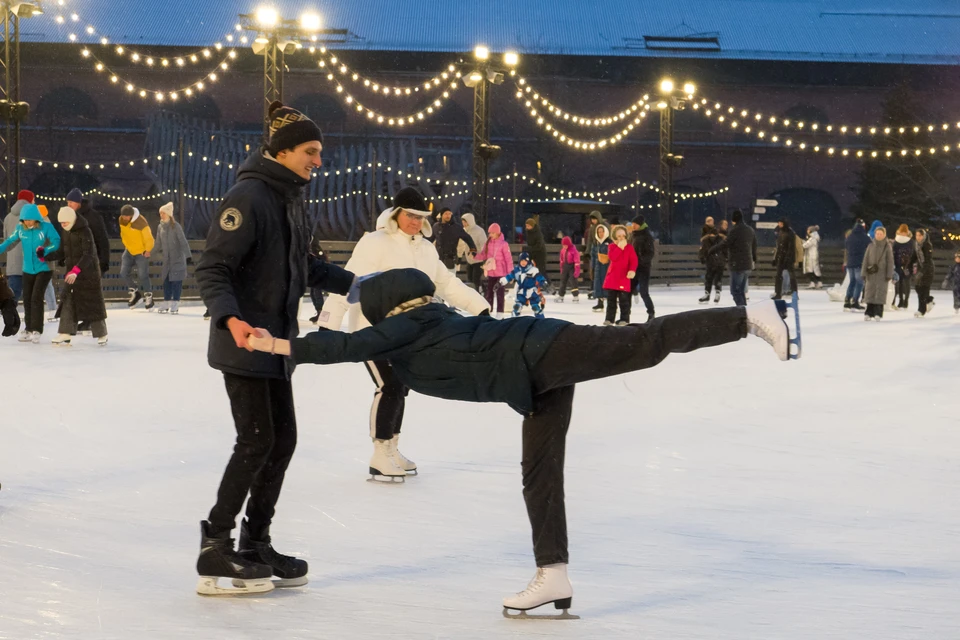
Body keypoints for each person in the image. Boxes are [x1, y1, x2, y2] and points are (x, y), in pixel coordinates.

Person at [245, 268, 800, 616]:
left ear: (387, 309)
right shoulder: (424, 328)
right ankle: (552, 575)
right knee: (540, 473)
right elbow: (369, 348)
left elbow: (345, 346)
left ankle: (745, 317)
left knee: (644, 341)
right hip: (533, 375)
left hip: (542, 352)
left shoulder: (407, 327)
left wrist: (278, 345)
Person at [193, 100, 358, 596]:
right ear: (282, 152)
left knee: (280, 441)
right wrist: (230, 318)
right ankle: (214, 548)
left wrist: (363, 285)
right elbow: (213, 268)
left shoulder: (289, 200)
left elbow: (304, 268)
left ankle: (255, 543)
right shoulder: (248, 197)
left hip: (277, 344)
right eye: (311, 151)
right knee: (256, 440)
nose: (318, 161)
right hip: (245, 341)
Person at [318, 186, 490, 481]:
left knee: (402, 386)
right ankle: (380, 452)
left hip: (409, 331)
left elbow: (446, 284)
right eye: (409, 215)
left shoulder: (425, 248)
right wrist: (327, 324)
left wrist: (481, 308)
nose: (414, 221)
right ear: (396, 214)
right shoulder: (376, 243)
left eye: (420, 216)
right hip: (372, 330)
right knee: (390, 385)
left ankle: (392, 447)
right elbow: (349, 283)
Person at [0, 203, 60, 342]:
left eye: (29, 219)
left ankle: (37, 329)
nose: (27, 222)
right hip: (27, 268)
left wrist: (46, 250)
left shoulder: (46, 227)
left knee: (36, 298)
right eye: (24, 219)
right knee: (27, 298)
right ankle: (28, 328)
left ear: (36, 218)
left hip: (44, 268)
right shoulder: (21, 229)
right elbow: (10, 241)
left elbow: (56, 242)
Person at [49, 206, 108, 345]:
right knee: (68, 302)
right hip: (72, 274)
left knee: (93, 304)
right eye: (61, 223)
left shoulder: (85, 232)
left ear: (71, 220)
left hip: (89, 274)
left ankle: (102, 334)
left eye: (65, 223)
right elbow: (62, 252)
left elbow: (89, 254)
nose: (63, 226)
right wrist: (44, 256)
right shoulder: (66, 232)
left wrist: (76, 270)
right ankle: (65, 333)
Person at [708, 209, 756, 306]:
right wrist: (753, 259)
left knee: (735, 291)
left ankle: (743, 313)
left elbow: (726, 243)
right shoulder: (750, 230)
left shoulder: (735, 230)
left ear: (734, 219)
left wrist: (713, 249)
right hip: (747, 265)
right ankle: (744, 311)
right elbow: (754, 245)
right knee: (741, 291)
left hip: (738, 264)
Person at [154, 202, 191, 314]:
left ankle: (175, 302)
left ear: (169, 214)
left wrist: (188, 256)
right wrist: (149, 254)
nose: (161, 215)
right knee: (166, 281)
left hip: (178, 259)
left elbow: (183, 242)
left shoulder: (176, 227)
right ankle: (166, 302)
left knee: (176, 282)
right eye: (160, 213)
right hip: (167, 260)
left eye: (163, 213)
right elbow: (157, 244)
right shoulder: (160, 227)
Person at [118, 204, 155, 310]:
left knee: (143, 275)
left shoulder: (141, 222)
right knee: (123, 272)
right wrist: (127, 245)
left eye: (126, 216)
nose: (124, 218)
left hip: (141, 252)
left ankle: (149, 297)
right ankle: (136, 293)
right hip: (129, 250)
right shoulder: (121, 220)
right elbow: (123, 234)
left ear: (131, 215)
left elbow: (149, 238)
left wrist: (148, 250)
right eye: (123, 216)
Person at [66, 188, 110, 276]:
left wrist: (103, 262)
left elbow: (102, 240)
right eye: (68, 202)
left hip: (92, 261)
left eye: (71, 202)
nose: (69, 205)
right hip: (75, 262)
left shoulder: (93, 217)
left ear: (78, 202)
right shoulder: (69, 217)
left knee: (90, 288)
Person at [474, 222, 513, 319]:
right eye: (489, 233)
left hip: (501, 273)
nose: (490, 235)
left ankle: (500, 312)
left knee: (500, 293)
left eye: (492, 233)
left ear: (497, 233)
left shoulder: (504, 244)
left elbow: (508, 259)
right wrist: (475, 256)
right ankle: (489, 310)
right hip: (491, 272)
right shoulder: (488, 243)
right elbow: (484, 255)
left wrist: (510, 273)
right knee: (489, 292)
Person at [2, 189, 34, 303]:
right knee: (31, 298)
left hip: (13, 264)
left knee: (12, 296)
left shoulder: (7, 217)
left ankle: (8, 318)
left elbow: (6, 240)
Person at [602, 225, 637, 325]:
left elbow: (634, 261)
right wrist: (619, 248)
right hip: (613, 278)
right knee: (611, 301)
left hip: (624, 278)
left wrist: (632, 270)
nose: (622, 238)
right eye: (619, 236)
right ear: (615, 237)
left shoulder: (629, 248)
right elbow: (613, 257)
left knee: (624, 301)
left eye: (623, 236)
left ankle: (624, 319)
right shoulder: (612, 247)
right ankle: (609, 319)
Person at [860, 225, 894, 321]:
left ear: (884, 235)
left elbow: (890, 261)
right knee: (870, 292)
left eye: (881, 234)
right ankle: (868, 312)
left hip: (882, 274)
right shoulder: (870, 246)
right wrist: (863, 272)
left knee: (880, 293)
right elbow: (865, 259)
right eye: (877, 234)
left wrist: (889, 274)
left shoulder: (887, 246)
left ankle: (878, 313)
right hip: (871, 273)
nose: (879, 235)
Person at [502, 251, 547, 318]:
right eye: (521, 261)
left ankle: (541, 320)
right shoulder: (517, 270)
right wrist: (500, 282)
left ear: (528, 261)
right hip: (521, 292)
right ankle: (514, 320)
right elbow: (509, 276)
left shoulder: (533, 270)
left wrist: (544, 283)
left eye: (525, 261)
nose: (523, 262)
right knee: (517, 307)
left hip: (532, 292)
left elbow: (539, 277)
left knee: (535, 307)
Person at [431, 207, 476, 273]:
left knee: (450, 280)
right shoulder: (436, 226)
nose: (448, 215)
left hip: (450, 259)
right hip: (438, 259)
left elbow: (467, 238)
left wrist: (473, 249)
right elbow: (430, 239)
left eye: (449, 214)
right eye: (446, 214)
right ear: (442, 215)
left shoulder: (456, 227)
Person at [630, 215, 656, 321]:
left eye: (635, 224)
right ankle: (625, 314)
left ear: (639, 225)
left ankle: (651, 312)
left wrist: (641, 261)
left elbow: (650, 253)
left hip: (643, 268)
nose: (633, 226)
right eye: (632, 224)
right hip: (633, 268)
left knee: (644, 292)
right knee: (628, 290)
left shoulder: (646, 236)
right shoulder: (633, 235)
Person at [844, 219, 870, 312]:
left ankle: (847, 300)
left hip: (850, 262)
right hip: (860, 262)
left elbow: (846, 246)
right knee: (859, 282)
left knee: (852, 282)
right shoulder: (864, 237)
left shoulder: (850, 236)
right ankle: (855, 301)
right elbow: (870, 247)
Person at [910, 229, 936, 318]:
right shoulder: (916, 245)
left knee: (924, 289)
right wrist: (907, 266)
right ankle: (929, 300)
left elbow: (928, 261)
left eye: (920, 236)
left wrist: (922, 272)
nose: (918, 237)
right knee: (918, 288)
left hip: (928, 270)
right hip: (920, 268)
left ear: (923, 236)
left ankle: (921, 310)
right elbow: (914, 256)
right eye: (917, 235)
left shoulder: (927, 245)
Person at [458, 213, 487, 290]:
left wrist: (478, 254)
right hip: (469, 260)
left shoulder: (479, 231)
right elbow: (461, 245)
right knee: (470, 280)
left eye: (465, 221)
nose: (464, 223)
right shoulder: (463, 231)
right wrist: (459, 255)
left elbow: (484, 245)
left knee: (475, 281)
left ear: (470, 221)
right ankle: (482, 289)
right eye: (463, 222)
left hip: (478, 261)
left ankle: (478, 294)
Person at [772, 218, 797, 300]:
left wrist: (788, 258)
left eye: (781, 224)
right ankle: (778, 293)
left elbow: (791, 247)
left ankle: (794, 294)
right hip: (780, 257)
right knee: (778, 276)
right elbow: (778, 247)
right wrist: (775, 258)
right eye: (779, 223)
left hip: (788, 258)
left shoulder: (790, 233)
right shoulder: (780, 232)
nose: (779, 225)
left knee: (791, 275)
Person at [698, 225, 725, 304]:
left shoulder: (706, 241)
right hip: (719, 263)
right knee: (718, 279)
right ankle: (717, 293)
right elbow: (725, 251)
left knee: (709, 279)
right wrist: (725, 259)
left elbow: (702, 251)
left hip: (711, 263)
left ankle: (707, 294)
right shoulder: (721, 240)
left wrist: (702, 259)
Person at [308, 227, 329, 323]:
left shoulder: (316, 249)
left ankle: (321, 313)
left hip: (319, 274)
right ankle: (319, 311)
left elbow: (322, 260)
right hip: (314, 274)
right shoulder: (310, 248)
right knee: (313, 293)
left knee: (317, 292)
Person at [892, 224, 915, 310]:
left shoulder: (909, 242)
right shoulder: (898, 242)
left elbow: (913, 253)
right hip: (900, 265)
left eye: (904, 233)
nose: (903, 234)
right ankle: (901, 300)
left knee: (906, 282)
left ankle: (905, 300)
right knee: (900, 283)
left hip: (906, 265)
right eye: (902, 232)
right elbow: (893, 253)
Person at [591, 223, 611, 312]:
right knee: (598, 284)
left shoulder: (609, 242)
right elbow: (593, 255)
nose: (600, 234)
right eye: (599, 232)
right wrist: (592, 267)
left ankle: (610, 304)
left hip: (607, 267)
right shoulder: (596, 243)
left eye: (602, 232)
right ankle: (600, 303)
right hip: (598, 267)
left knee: (607, 285)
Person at [554, 236, 580, 303]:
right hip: (565, 267)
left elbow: (577, 261)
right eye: (563, 245)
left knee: (573, 281)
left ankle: (575, 296)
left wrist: (577, 270)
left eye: (566, 245)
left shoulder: (574, 251)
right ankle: (561, 295)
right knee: (563, 281)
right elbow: (562, 260)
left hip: (572, 267)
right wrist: (561, 268)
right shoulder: (563, 251)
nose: (564, 246)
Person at [523, 216, 548, 286]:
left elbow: (539, 246)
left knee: (541, 272)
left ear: (532, 226)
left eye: (528, 226)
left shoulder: (538, 233)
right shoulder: (528, 233)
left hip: (540, 255)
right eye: (526, 226)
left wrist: (528, 248)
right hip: (532, 254)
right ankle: (533, 286)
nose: (527, 227)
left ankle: (549, 287)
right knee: (530, 271)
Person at [583, 211, 604, 290]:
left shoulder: (604, 226)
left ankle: (601, 287)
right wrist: (587, 252)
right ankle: (593, 286)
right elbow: (589, 241)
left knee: (601, 270)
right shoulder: (592, 229)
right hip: (594, 250)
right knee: (593, 269)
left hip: (603, 249)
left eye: (595, 219)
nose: (593, 221)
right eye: (592, 219)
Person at [942, 250, 960, 315]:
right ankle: (956, 307)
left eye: (958, 258)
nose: (957, 259)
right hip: (956, 284)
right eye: (956, 258)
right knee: (956, 296)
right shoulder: (954, 266)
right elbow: (950, 274)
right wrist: (946, 280)